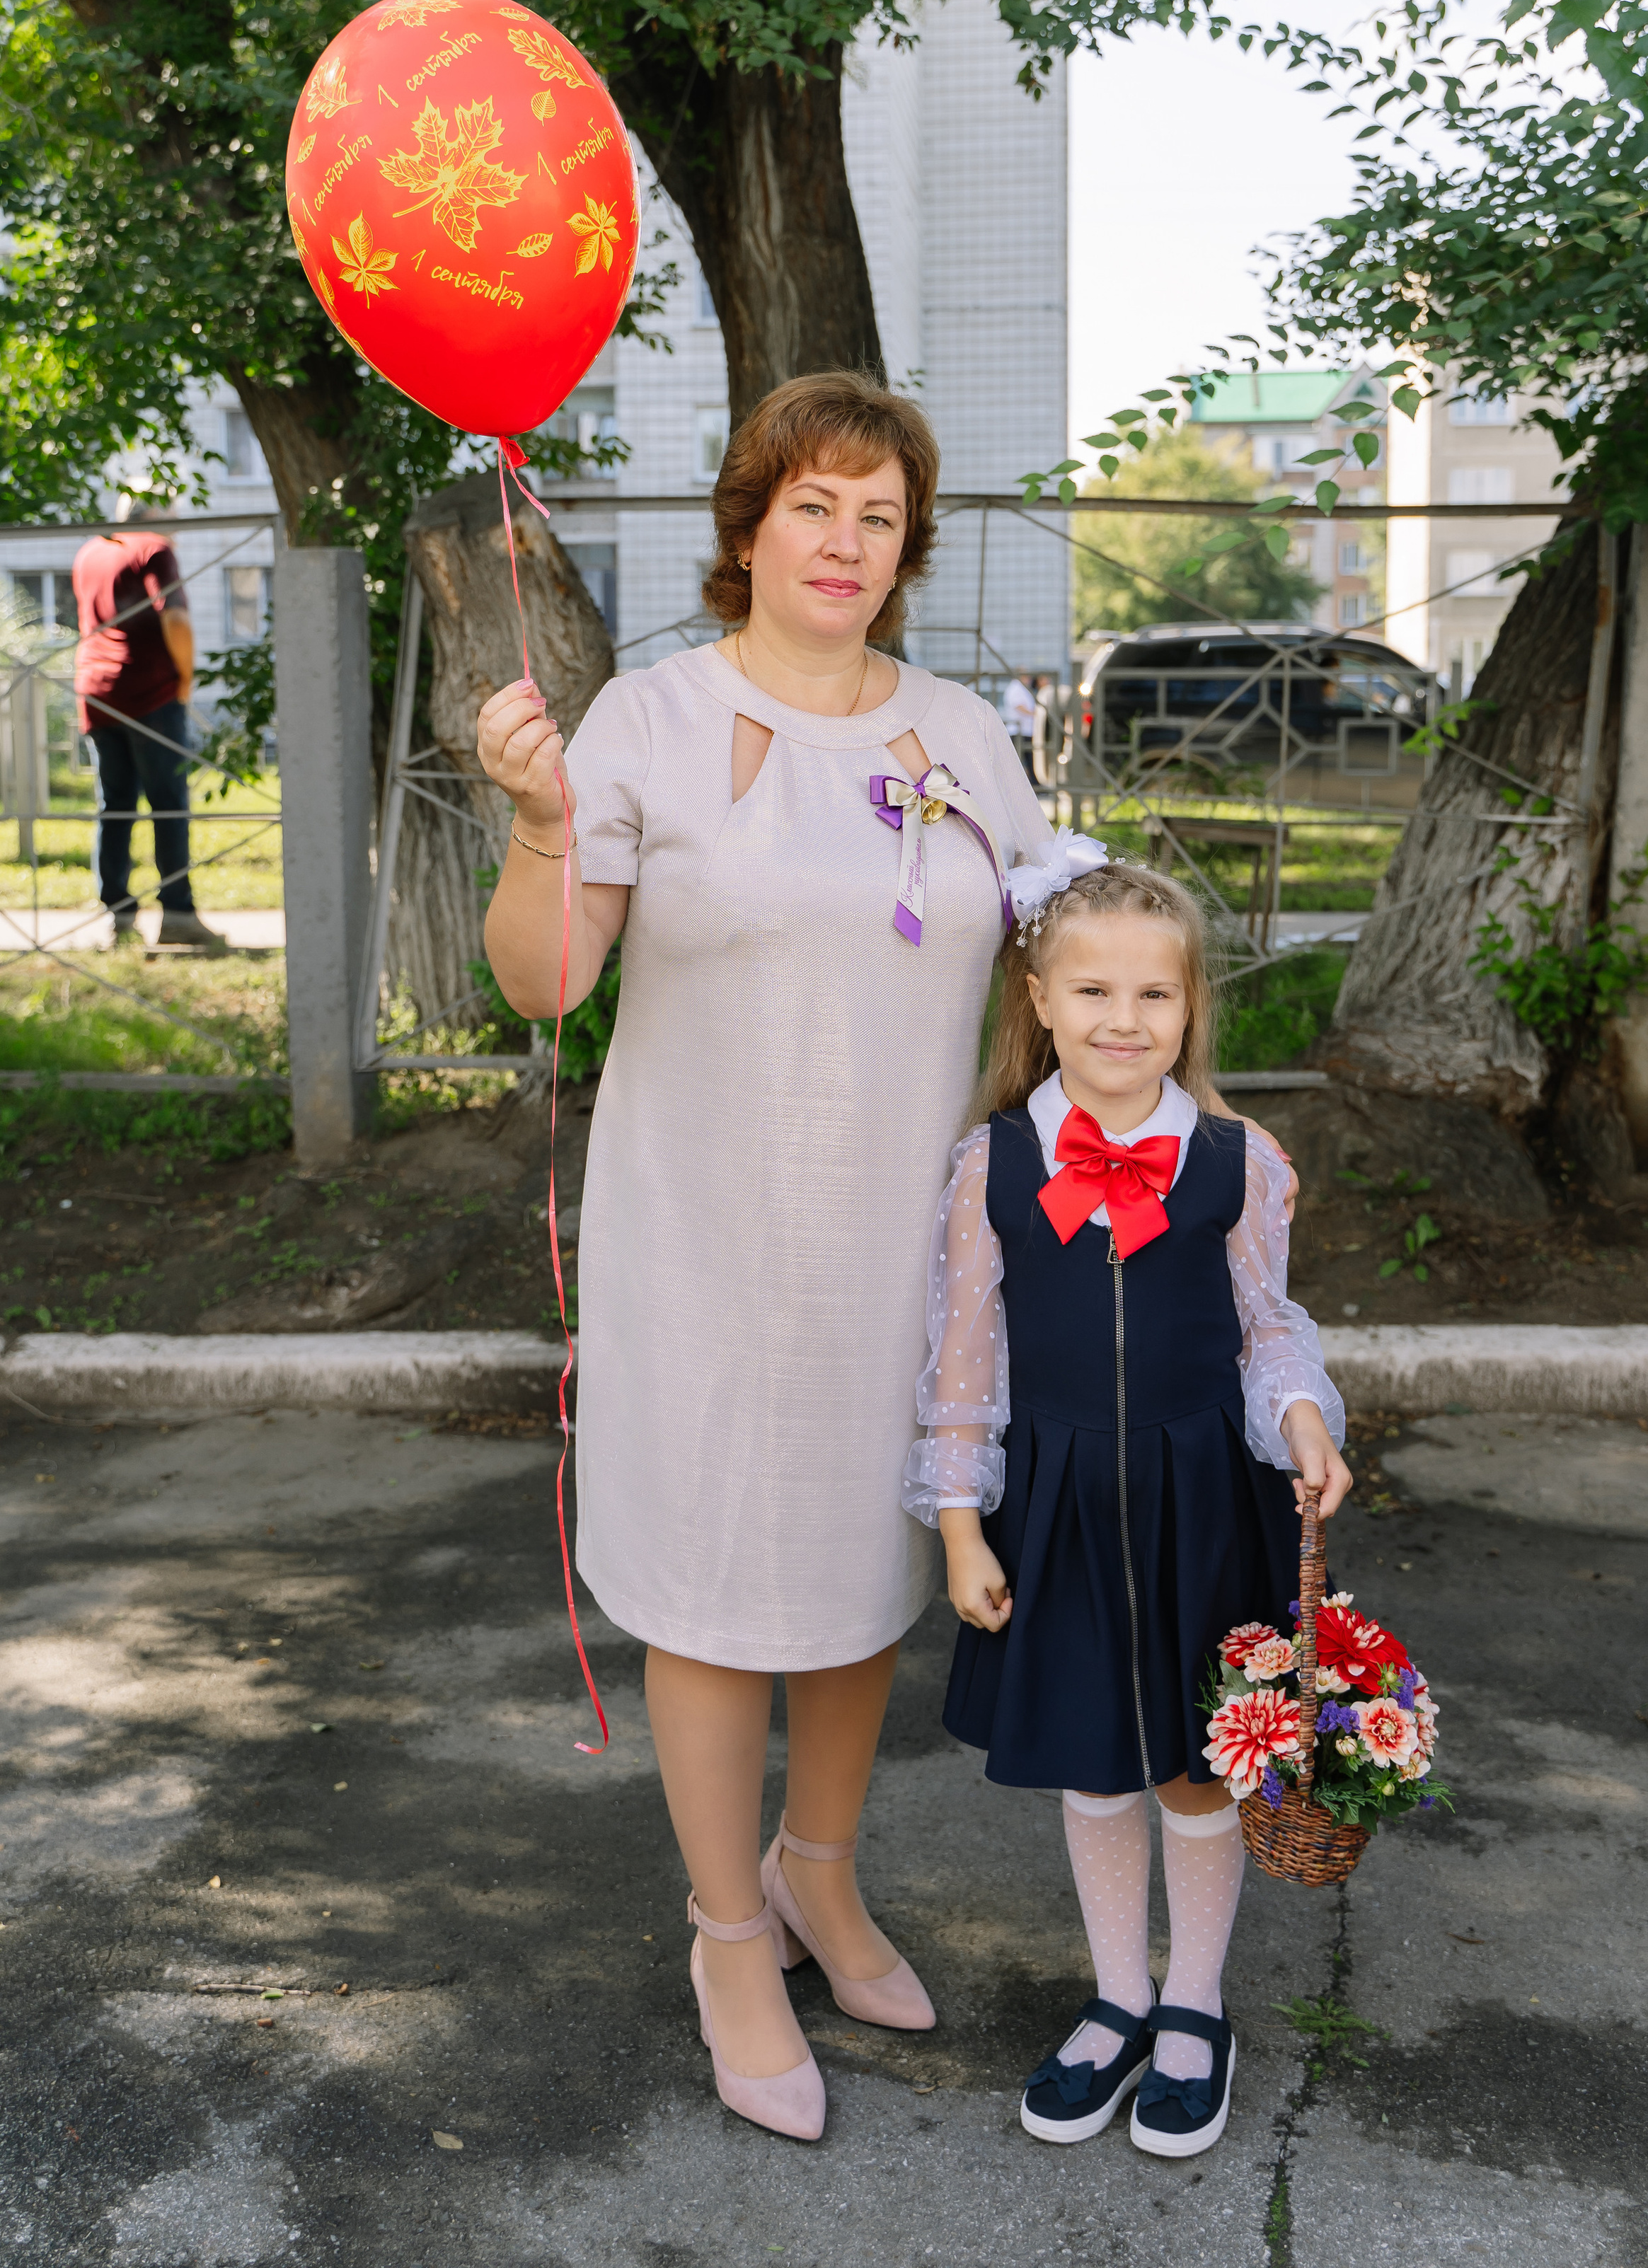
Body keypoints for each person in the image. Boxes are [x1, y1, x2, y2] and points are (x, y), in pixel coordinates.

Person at [474, 371, 1296, 2148]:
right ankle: (722, 1938)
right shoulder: (642, 718)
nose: (844, 541)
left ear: (903, 546)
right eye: (811, 505)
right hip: (701, 1236)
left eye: (879, 514)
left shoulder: (959, 735)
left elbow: (1075, 963)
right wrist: (544, 825)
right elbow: (544, 981)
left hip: (908, 1251)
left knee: (859, 1571)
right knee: (712, 1583)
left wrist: (1172, 1162)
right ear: (747, 525)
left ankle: (820, 1873)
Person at [905, 848, 1348, 2160]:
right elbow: (963, 1357)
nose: (1122, 1020)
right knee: (1098, 1763)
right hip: (1056, 1506)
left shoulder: (1236, 1159)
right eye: (1091, 989)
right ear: (1037, 997)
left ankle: (1197, 2003)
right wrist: (959, 1525)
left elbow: (1266, 1326)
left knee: (1199, 1763)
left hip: (1207, 1495)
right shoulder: (990, 1166)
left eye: (1155, 996)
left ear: (1191, 1007)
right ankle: (1117, 1993)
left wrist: (1308, 1420)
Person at [71, 508, 225, 950]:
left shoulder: (91, 551)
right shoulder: (154, 548)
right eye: (172, 513)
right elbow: (175, 619)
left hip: (97, 692)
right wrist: (184, 682)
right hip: (150, 693)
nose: (178, 523)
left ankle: (116, 917)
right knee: (169, 803)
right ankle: (177, 915)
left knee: (115, 805)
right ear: (155, 513)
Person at [1002, 669, 1039, 779]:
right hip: (1019, 731)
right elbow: (1018, 706)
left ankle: (1034, 783)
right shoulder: (1015, 688)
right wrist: (1034, 714)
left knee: (1030, 760)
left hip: (1026, 730)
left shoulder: (1022, 688)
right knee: (1022, 761)